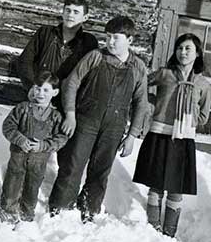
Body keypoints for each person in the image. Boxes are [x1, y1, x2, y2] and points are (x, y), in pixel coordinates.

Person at [49, 15, 148, 223]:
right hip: (85, 121)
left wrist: (131, 136)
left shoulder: (138, 67)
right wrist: (70, 114)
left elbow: (141, 103)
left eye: (116, 38)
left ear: (130, 40)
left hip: (114, 127)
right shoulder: (95, 57)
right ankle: (59, 212)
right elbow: (71, 83)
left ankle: (88, 212)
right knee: (72, 166)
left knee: (100, 171)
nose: (110, 42)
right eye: (108, 37)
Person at [133, 33, 211, 238]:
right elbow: (140, 86)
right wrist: (153, 103)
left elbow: (203, 116)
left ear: (197, 53)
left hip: (184, 139)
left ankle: (169, 234)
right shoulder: (164, 74)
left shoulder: (203, 84)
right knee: (156, 184)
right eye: (179, 48)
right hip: (160, 135)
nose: (183, 52)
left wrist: (189, 114)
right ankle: (152, 230)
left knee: (176, 188)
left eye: (188, 49)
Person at [0, 71, 68, 225]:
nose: (40, 93)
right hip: (18, 156)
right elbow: (8, 126)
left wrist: (43, 145)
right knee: (12, 183)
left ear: (55, 92)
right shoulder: (23, 108)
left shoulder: (56, 117)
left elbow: (61, 138)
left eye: (45, 90)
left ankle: (27, 213)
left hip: (39, 161)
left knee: (32, 186)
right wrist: (20, 139)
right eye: (37, 88)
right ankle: (8, 211)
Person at [17, 0, 98, 110]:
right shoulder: (46, 33)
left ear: (85, 17)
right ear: (63, 12)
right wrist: (31, 87)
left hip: (65, 104)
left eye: (76, 12)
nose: (70, 15)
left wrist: (71, 106)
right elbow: (24, 61)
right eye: (68, 10)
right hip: (38, 99)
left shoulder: (88, 42)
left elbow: (90, 76)